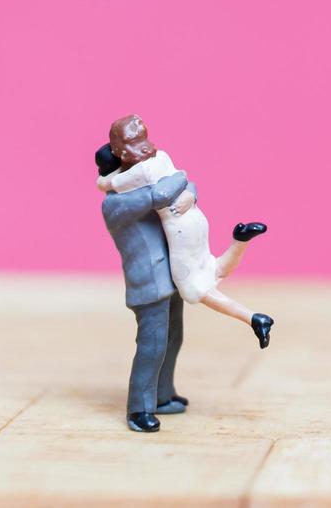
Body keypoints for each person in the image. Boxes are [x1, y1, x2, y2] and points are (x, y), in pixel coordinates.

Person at [97, 116, 273, 433]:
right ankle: (139, 407)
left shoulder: (143, 184)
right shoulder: (116, 204)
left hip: (175, 275)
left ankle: (162, 395)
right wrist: (184, 180)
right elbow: (161, 194)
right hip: (149, 283)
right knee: (152, 344)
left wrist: (189, 190)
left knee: (173, 338)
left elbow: (174, 190)